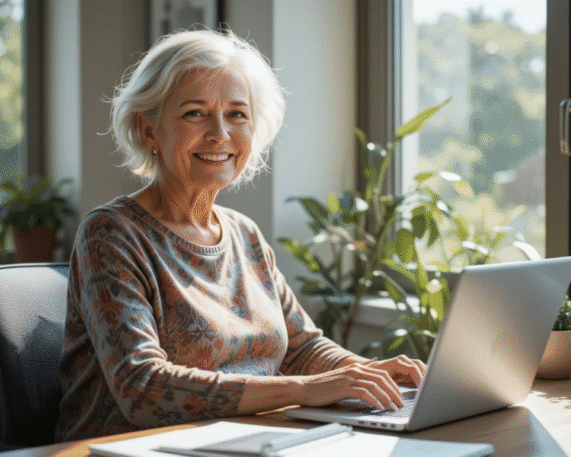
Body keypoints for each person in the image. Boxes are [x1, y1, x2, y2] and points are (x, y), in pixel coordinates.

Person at [55, 29, 426, 442]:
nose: (220, 133)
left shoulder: (244, 234)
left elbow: (302, 349)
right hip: (128, 448)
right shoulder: (110, 234)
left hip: (245, 441)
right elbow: (142, 388)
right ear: (149, 130)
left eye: (237, 114)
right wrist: (305, 391)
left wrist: (367, 374)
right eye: (195, 113)